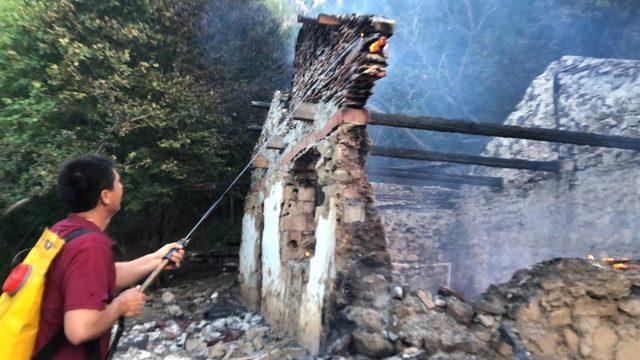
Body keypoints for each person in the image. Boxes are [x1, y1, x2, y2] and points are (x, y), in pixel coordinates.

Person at [32, 154, 185, 359]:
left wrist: (156, 259)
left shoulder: (64, 231)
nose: (122, 187)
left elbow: (102, 276)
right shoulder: (89, 246)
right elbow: (80, 329)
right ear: (106, 196)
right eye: (118, 182)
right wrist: (121, 305)